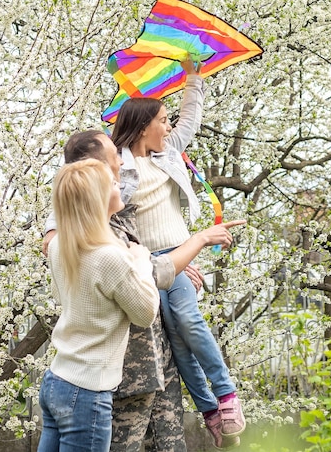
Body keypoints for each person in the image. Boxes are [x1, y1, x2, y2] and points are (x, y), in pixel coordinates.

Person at [43, 130, 245, 451]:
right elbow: (145, 301)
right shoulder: (98, 243)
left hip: (139, 369)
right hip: (119, 378)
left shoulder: (96, 230)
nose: (122, 163)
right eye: (114, 158)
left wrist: (164, 261)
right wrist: (177, 251)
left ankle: (213, 406)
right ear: (95, 176)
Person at [111, 58, 246, 449]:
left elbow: (191, 118)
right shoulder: (116, 166)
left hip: (179, 254)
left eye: (168, 120)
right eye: (162, 120)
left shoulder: (168, 151)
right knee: (176, 340)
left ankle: (225, 396)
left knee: (188, 320)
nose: (169, 126)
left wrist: (193, 77)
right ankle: (209, 412)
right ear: (143, 126)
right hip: (146, 265)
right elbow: (109, 223)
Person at [37, 158, 160, 452]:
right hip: (87, 392)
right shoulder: (109, 257)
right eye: (113, 183)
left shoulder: (60, 245)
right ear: (98, 198)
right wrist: (142, 263)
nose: (120, 184)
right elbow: (145, 314)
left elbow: (59, 294)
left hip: (57, 380)